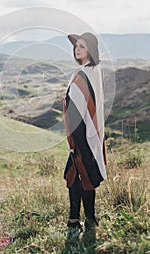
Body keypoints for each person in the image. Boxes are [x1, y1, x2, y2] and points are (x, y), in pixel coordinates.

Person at [63, 32, 107, 231]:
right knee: (78, 172)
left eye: (82, 45)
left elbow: (76, 109)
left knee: (81, 174)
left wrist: (78, 143)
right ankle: (84, 219)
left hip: (81, 133)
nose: (77, 49)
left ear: (91, 49)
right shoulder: (93, 71)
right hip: (86, 132)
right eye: (76, 46)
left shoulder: (85, 73)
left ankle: (82, 219)